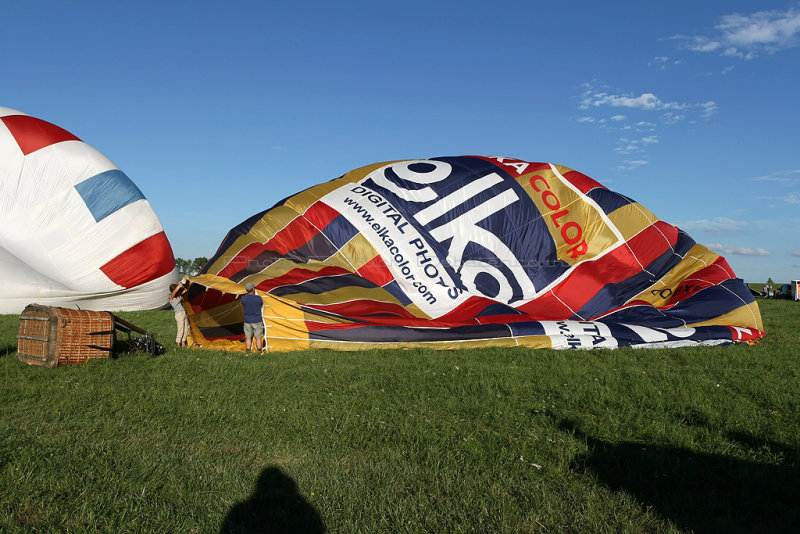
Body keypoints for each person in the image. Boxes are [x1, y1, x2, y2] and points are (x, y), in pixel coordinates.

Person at [241, 282, 264, 352]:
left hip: (247, 321)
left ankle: (248, 351)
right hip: (257, 320)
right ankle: (259, 351)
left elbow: (243, 303)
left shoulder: (243, 298)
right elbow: (261, 304)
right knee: (258, 337)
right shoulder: (258, 298)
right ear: (253, 289)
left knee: (248, 337)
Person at [169, 281, 189, 347]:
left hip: (184, 313)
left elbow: (186, 290)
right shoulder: (171, 297)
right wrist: (180, 284)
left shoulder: (178, 296)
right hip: (179, 315)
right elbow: (175, 291)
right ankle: (178, 343)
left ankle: (183, 343)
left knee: (186, 329)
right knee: (180, 329)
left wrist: (185, 283)